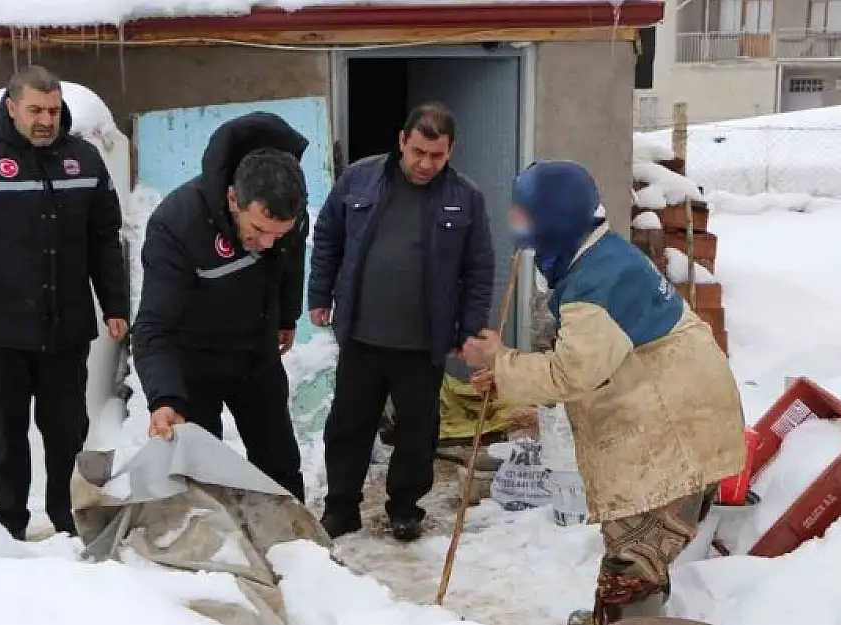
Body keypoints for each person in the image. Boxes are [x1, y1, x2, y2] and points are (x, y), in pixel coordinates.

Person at [461, 161, 746, 625]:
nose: (515, 221)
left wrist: (500, 361)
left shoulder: (597, 281)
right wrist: (510, 374)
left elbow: (572, 372)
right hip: (673, 422)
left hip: (672, 436)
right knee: (637, 555)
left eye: (524, 212)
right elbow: (590, 359)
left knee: (632, 565)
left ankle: (624, 619)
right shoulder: (601, 258)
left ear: (553, 218)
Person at [0, 65, 130, 540]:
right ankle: (10, 523)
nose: (46, 120)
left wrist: (115, 305)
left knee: (66, 431)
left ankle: (65, 520)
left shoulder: (83, 160)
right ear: (12, 107)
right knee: (5, 433)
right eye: (36, 110)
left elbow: (104, 238)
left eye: (54, 110)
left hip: (67, 327)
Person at [308, 102, 495, 542]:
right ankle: (341, 509)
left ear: (450, 152)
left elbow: (479, 268)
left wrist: (469, 329)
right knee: (349, 424)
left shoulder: (465, 199)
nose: (425, 164)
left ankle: (405, 508)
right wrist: (319, 295)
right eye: (418, 152)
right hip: (361, 334)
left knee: (417, 431)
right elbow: (329, 237)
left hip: (422, 343)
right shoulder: (359, 179)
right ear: (401, 142)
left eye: (437, 156)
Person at [131, 112, 310, 502]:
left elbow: (290, 263)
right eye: (258, 231)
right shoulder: (177, 225)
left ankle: (294, 547)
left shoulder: (289, 219)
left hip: (256, 356)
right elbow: (152, 327)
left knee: (278, 463)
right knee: (201, 476)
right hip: (195, 362)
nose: (267, 243)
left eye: (278, 234)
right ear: (233, 197)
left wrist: (285, 316)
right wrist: (164, 398)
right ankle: (213, 555)